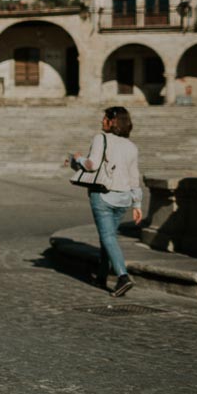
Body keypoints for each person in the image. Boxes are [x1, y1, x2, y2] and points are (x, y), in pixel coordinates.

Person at [71, 106, 143, 296]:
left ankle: (122, 277)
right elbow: (134, 176)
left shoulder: (100, 138)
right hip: (124, 198)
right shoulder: (131, 146)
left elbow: (91, 164)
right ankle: (102, 275)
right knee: (108, 236)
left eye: (105, 118)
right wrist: (137, 204)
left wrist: (78, 159)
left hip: (103, 194)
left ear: (113, 121)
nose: (101, 121)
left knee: (108, 237)